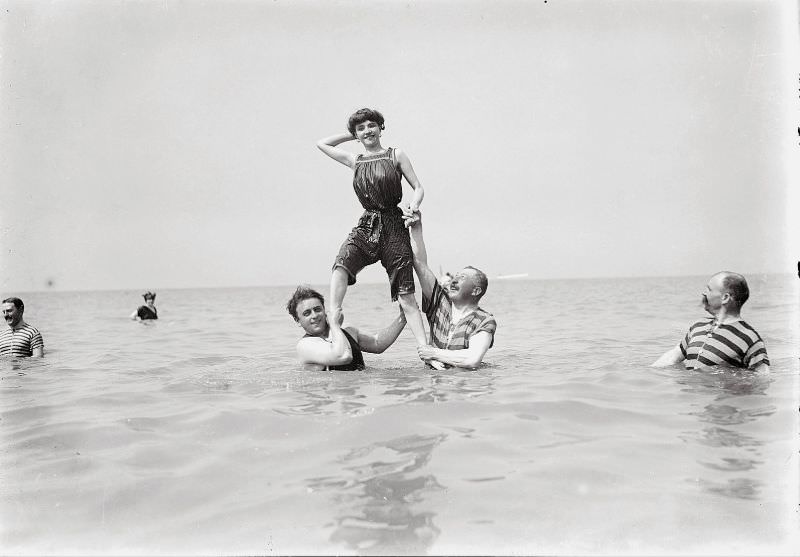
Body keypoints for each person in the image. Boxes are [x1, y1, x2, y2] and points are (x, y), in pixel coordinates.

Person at [316, 108, 429, 358]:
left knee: (406, 294)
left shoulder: (395, 154)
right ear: (356, 134)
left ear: (380, 128)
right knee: (341, 264)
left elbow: (419, 187)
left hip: (394, 224)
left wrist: (414, 206)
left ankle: (424, 349)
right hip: (367, 224)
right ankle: (334, 316)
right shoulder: (354, 160)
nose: (367, 131)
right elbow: (321, 143)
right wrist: (350, 135)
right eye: (361, 128)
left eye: (371, 125)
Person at [403, 211, 497, 370]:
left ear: (475, 291)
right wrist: (417, 227)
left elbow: (472, 359)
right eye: (455, 276)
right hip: (436, 387)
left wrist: (433, 353)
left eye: (461, 278)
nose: (454, 280)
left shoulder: (484, 320)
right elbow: (420, 265)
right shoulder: (440, 305)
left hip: (463, 389)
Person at [652, 272, 769, 372]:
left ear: (725, 298)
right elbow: (673, 356)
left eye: (709, 289)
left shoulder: (750, 339)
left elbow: (761, 379)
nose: (704, 293)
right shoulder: (698, 326)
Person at [287, 285, 407, 371]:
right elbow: (343, 356)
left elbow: (377, 343)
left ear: (325, 310)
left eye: (317, 309)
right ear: (298, 321)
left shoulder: (347, 331)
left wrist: (404, 316)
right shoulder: (305, 345)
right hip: (334, 402)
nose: (314, 316)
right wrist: (334, 324)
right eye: (307, 313)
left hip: (359, 395)